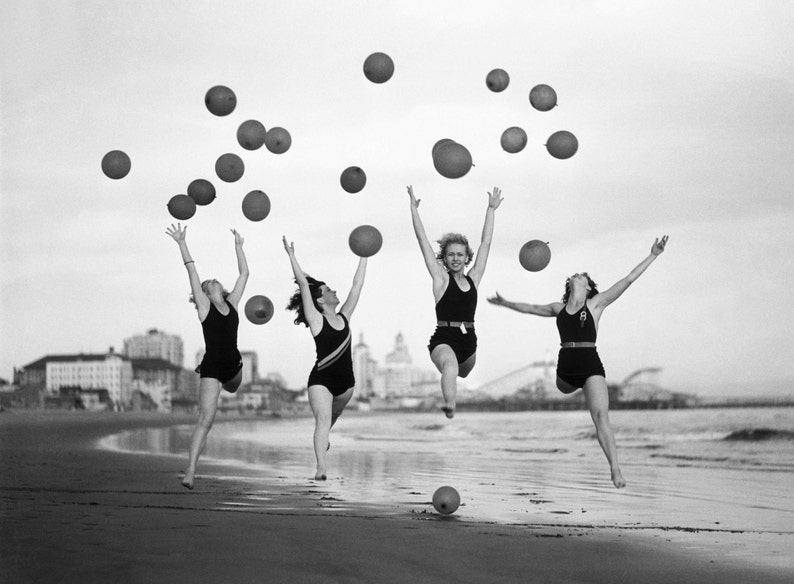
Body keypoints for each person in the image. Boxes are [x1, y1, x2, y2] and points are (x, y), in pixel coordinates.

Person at [487, 236, 669, 488]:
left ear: (588, 287)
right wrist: (506, 303)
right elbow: (530, 308)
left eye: (581, 275)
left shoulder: (596, 304)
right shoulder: (558, 308)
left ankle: (615, 469)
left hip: (591, 365)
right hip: (566, 370)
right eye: (575, 275)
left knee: (601, 416)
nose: (577, 275)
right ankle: (574, 389)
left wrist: (653, 255)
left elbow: (628, 279)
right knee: (563, 387)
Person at [407, 184, 503, 418]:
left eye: (460, 254)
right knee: (450, 366)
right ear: (445, 258)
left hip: (468, 341)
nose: (456, 258)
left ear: (467, 257)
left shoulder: (474, 279)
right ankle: (450, 404)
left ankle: (452, 390)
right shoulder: (440, 279)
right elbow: (423, 242)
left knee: (463, 372)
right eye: (451, 254)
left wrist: (491, 210)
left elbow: (486, 243)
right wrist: (414, 210)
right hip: (444, 339)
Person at [165, 223, 249, 489]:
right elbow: (191, 269)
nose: (211, 281)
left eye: (213, 281)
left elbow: (245, 273)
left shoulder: (233, 303)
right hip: (212, 368)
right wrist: (181, 243)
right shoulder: (204, 308)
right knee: (206, 419)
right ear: (203, 294)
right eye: (206, 284)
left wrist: (238, 247)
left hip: (234, 369)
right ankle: (190, 472)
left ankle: (228, 385)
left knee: (233, 390)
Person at [283, 236, 368, 480]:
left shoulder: (344, 316)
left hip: (346, 385)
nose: (334, 291)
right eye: (329, 290)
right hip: (321, 379)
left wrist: (365, 253)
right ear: (320, 299)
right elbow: (302, 283)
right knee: (322, 420)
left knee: (329, 421)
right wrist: (292, 256)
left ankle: (323, 441)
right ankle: (321, 467)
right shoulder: (316, 319)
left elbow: (357, 286)